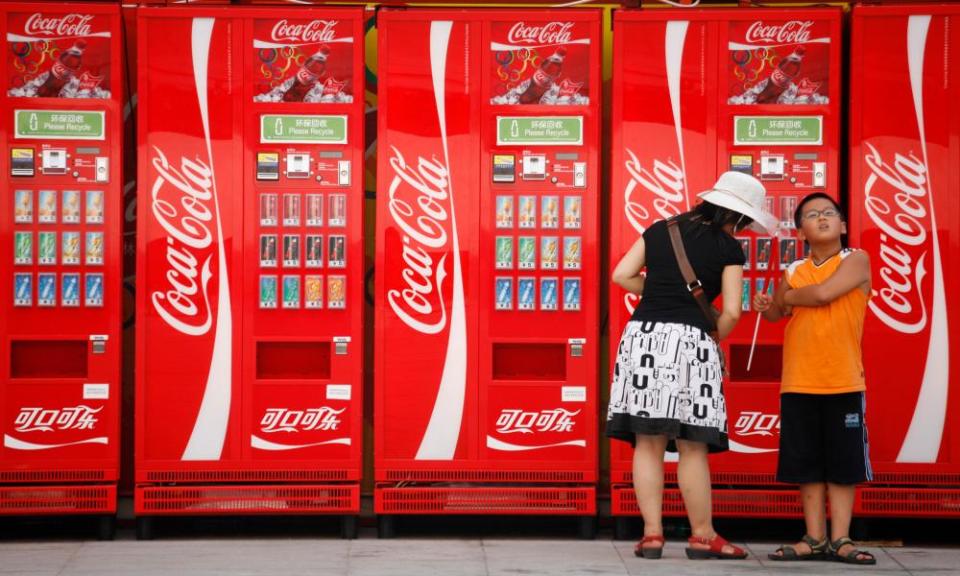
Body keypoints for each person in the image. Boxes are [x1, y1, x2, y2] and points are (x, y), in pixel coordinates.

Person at [608, 171, 777, 560]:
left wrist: (656, 293)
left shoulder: (660, 229)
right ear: (740, 216)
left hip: (643, 338)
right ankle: (702, 535)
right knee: (692, 445)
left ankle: (651, 536)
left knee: (647, 444)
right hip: (692, 344)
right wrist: (713, 332)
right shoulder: (729, 247)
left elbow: (621, 275)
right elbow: (733, 310)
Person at [753, 193, 876, 565]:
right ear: (801, 230)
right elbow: (776, 313)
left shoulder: (856, 260)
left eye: (828, 213)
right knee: (805, 463)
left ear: (841, 224)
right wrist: (769, 303)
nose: (821, 218)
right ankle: (814, 538)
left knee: (843, 463)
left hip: (843, 380)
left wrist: (789, 298)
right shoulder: (792, 270)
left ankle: (841, 539)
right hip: (798, 379)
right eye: (810, 215)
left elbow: (823, 295)